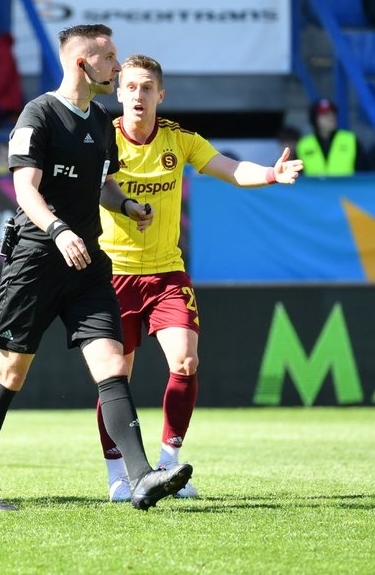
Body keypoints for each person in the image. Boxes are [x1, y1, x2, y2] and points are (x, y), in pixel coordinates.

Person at [0, 24, 192, 512]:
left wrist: (127, 206)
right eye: (109, 57)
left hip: (86, 263)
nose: (117, 65)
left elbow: (102, 186)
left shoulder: (100, 124)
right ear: (83, 62)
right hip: (36, 260)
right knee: (11, 371)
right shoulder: (39, 114)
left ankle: (142, 476)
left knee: (112, 366)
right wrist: (59, 230)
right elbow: (26, 190)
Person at [98, 53, 304, 502]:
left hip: (167, 273)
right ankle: (119, 473)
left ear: (160, 94)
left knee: (186, 361)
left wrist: (271, 173)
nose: (138, 95)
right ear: (119, 93)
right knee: (117, 378)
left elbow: (228, 169)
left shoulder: (179, 139)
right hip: (112, 275)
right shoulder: (101, 139)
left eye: (147, 87)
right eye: (130, 87)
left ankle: (169, 465)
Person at [296, 98, 370, 175]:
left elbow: (364, 172)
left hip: (346, 186)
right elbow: (298, 176)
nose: (331, 117)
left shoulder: (351, 140)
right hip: (314, 187)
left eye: (333, 113)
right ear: (315, 119)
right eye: (325, 114)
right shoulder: (303, 145)